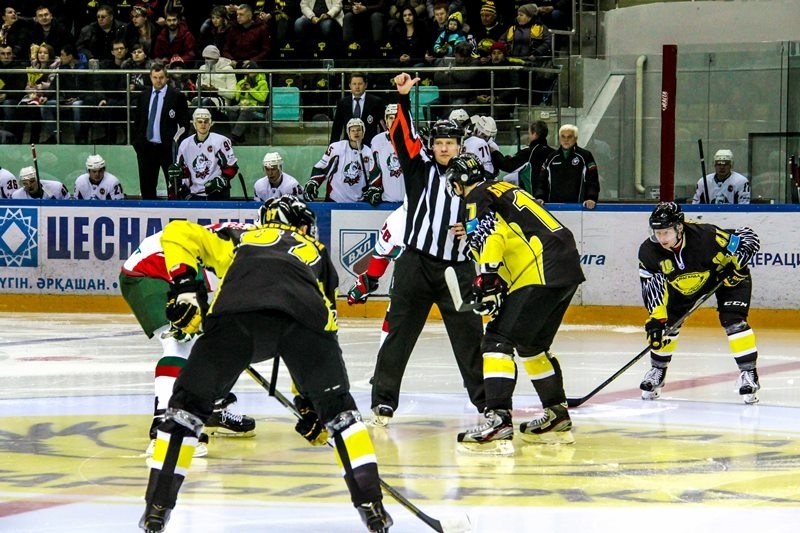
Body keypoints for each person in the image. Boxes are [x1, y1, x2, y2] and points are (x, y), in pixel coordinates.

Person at [139, 196, 392, 533]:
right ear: (298, 223)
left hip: (236, 320)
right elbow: (327, 325)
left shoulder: (241, 236)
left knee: (185, 412)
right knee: (342, 416)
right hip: (305, 322)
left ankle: (156, 510)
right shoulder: (317, 252)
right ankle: (372, 508)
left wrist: (187, 288)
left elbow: (177, 232)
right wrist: (311, 405)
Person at [367, 72, 485, 427]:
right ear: (432, 146)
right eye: (439, 143)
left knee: (470, 340)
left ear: (460, 145)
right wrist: (403, 98)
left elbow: (489, 219)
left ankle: (487, 403)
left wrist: (471, 227)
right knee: (398, 335)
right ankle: (382, 402)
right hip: (415, 264)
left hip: (457, 269)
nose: (444, 148)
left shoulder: (476, 178)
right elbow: (402, 136)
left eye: (450, 142)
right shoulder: (419, 169)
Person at [446, 152, 584, 453]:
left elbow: (492, 236)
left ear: (457, 183)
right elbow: (512, 233)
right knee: (532, 346)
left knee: (496, 341)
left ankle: (498, 418)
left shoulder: (475, 197)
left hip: (539, 269)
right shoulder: (504, 188)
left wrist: (487, 278)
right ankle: (557, 413)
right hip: (566, 267)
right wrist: (499, 283)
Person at [119, 222, 258, 459]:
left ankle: (213, 407)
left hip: (188, 272)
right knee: (180, 343)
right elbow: (179, 239)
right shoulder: (248, 251)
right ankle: (165, 424)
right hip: (151, 273)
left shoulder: (265, 247)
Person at [638, 202, 762, 404]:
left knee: (734, 322)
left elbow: (748, 238)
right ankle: (657, 371)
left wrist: (738, 268)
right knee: (666, 323)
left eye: (666, 232)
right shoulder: (649, 252)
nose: (662, 238)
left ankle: (749, 374)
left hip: (724, 277)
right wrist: (656, 319)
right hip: (684, 285)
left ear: (679, 227)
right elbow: (653, 288)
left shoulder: (706, 236)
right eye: (658, 233)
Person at [132, 63, 190, 200]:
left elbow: (184, 125)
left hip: (168, 149)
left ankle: (175, 211)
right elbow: (137, 121)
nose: (158, 81)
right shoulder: (144, 95)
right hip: (146, 148)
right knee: (147, 187)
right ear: (150, 77)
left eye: (161, 77)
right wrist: (137, 143)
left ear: (167, 78)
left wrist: (177, 146)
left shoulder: (176, 96)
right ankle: (148, 211)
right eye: (155, 77)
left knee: (174, 186)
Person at [305, 117, 382, 204]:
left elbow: (374, 174)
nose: (356, 132)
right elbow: (322, 168)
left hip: (358, 203)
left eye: (358, 130)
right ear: (348, 133)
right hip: (335, 201)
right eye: (352, 130)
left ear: (363, 132)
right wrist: (313, 182)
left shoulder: (368, 152)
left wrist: (374, 189)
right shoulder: (337, 148)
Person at [172, 108, 239, 200]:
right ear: (194, 124)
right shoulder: (185, 144)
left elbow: (232, 167)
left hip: (216, 192)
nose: (203, 124)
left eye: (206, 121)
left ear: (210, 123)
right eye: (199, 121)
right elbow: (184, 170)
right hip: (194, 194)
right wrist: (177, 173)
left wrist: (223, 180)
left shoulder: (221, 141)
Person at [533, 123, 599, 208]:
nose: (566, 140)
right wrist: (540, 197)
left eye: (569, 137)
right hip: (554, 207)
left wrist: (591, 197)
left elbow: (592, 180)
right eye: (563, 137)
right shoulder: (551, 157)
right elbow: (542, 181)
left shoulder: (585, 156)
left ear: (575, 138)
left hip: (579, 207)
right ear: (559, 138)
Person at [491, 120, 554, 194]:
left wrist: (494, 152)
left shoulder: (529, 152)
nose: (528, 137)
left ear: (534, 134)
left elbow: (508, 165)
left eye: (529, 133)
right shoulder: (553, 153)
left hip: (532, 197)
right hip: (549, 197)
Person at [330, 71, 386, 146]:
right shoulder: (342, 103)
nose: (357, 87)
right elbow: (336, 128)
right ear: (350, 85)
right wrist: (332, 148)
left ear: (365, 85)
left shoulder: (376, 102)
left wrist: (383, 146)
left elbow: (383, 127)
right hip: (349, 146)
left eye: (360, 84)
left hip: (370, 146)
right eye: (354, 84)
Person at [226, 61, 268, 144]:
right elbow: (237, 98)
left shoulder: (263, 83)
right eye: (247, 72)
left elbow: (262, 98)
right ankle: (240, 136)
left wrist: (250, 90)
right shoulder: (241, 82)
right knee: (231, 109)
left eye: (251, 71)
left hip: (256, 107)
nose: (249, 74)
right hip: (242, 105)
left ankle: (234, 136)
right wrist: (241, 91)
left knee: (246, 110)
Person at [192, 44, 237, 115]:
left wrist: (216, 90)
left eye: (208, 58)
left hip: (222, 98)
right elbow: (197, 86)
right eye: (205, 58)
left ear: (215, 58)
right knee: (195, 101)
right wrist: (201, 87)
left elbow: (232, 94)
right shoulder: (202, 68)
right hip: (205, 95)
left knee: (206, 102)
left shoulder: (228, 69)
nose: (206, 61)